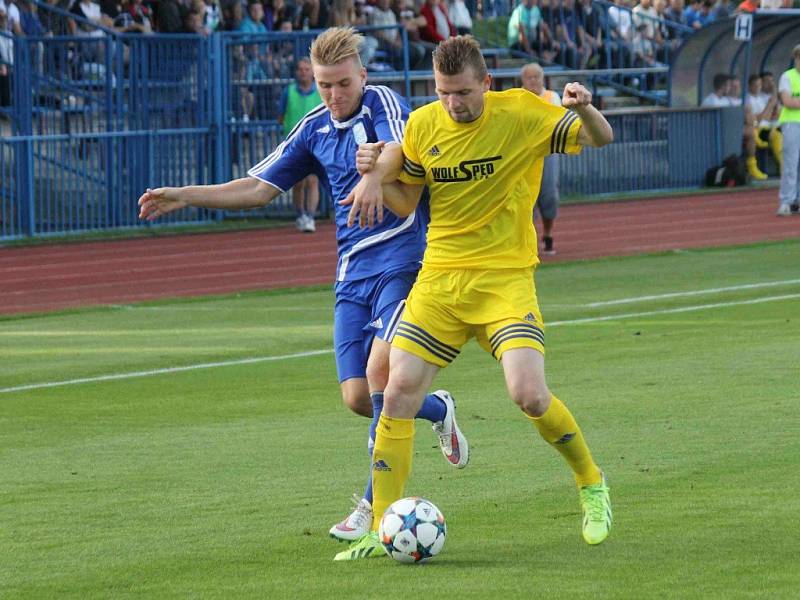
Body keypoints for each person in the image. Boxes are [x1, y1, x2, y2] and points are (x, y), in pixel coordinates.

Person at [137, 26, 469, 555]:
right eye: (323, 84)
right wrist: (187, 194)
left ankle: (374, 509)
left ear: (362, 75)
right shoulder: (313, 127)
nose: (333, 94)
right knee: (359, 398)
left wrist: (373, 177)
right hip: (351, 275)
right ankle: (436, 410)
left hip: (406, 262)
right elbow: (258, 188)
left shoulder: (383, 103)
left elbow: (404, 152)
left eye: (342, 82)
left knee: (383, 373)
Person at [339, 35, 614, 560]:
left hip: (504, 277)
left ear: (486, 83)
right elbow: (407, 202)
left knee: (528, 394)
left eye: (462, 92)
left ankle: (592, 483)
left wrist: (586, 109)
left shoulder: (522, 113)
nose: (453, 103)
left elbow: (600, 138)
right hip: (440, 279)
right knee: (396, 395)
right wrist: (375, 173)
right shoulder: (423, 125)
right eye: (443, 92)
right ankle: (379, 531)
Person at [278, 58, 323, 232]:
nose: (303, 72)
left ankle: (310, 217)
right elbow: (281, 116)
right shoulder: (288, 92)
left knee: (313, 181)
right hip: (294, 143)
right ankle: (300, 214)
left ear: (312, 72)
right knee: (298, 183)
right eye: (300, 69)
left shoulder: (320, 92)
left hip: (315, 143)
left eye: (306, 69)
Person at [521, 62, 561, 255]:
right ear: (523, 80)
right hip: (523, 156)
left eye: (537, 77)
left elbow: (557, 121)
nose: (534, 81)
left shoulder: (552, 97)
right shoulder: (517, 98)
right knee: (525, 197)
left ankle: (548, 234)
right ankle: (528, 239)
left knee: (549, 195)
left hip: (546, 153)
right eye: (530, 77)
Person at [776, 44, 800, 216]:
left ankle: (797, 201)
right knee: (791, 164)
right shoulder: (787, 76)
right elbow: (787, 101)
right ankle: (786, 201)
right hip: (792, 123)